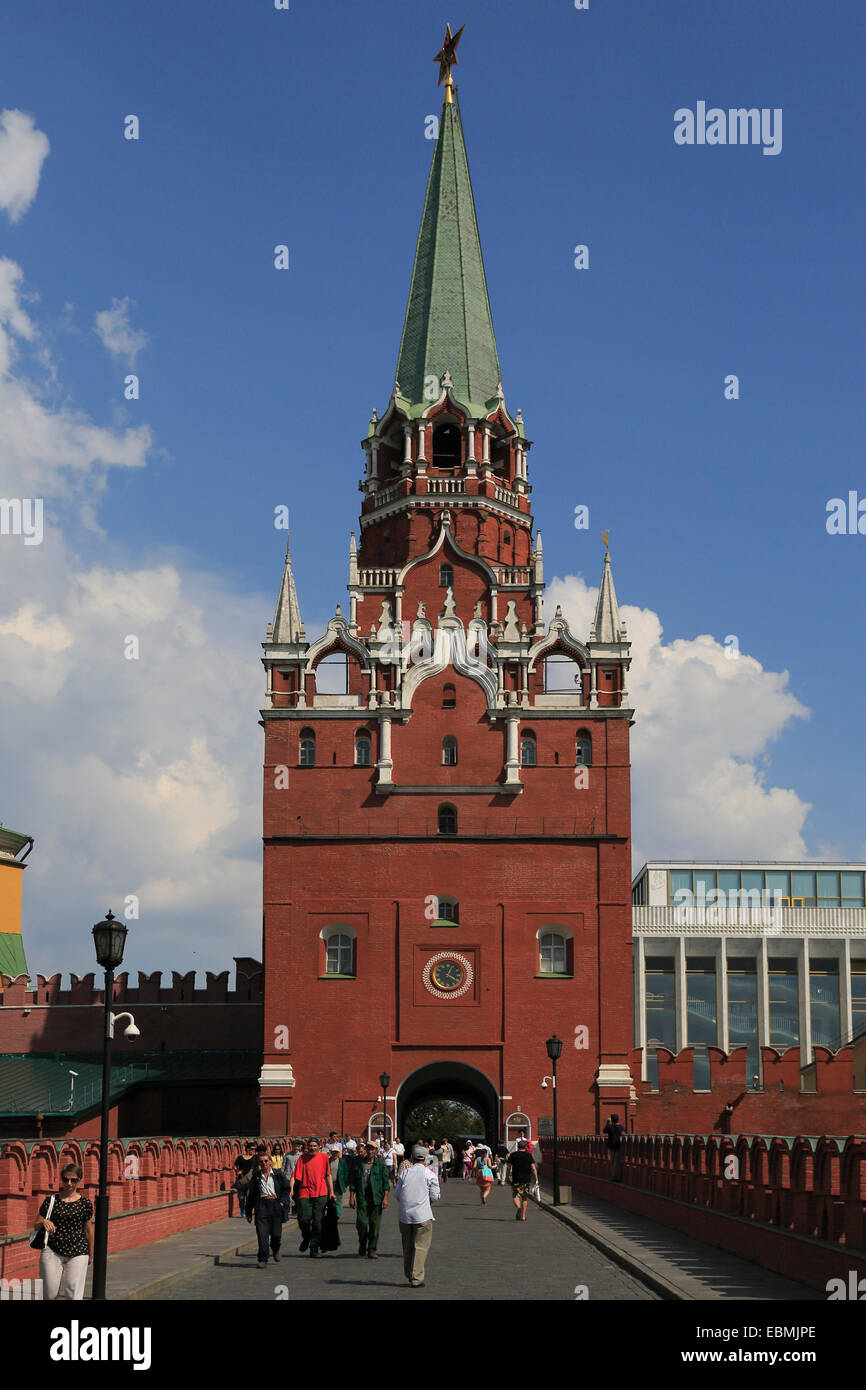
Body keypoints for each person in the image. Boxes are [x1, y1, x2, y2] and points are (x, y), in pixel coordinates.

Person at [34, 1163, 93, 1300]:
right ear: (62, 1179)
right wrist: (43, 1222)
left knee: (73, 1291)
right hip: (53, 1249)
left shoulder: (85, 1203)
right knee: (49, 1293)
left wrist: (91, 1253)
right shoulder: (51, 1201)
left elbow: (88, 1230)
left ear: (79, 1180)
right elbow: (36, 1225)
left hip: (78, 1250)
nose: (69, 1183)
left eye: (74, 1180)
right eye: (66, 1179)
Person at [396, 1144, 440, 1288]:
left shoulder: (405, 1173)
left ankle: (409, 1273)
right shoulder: (430, 1174)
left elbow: (397, 1195)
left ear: (413, 1157)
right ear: (426, 1158)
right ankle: (417, 1277)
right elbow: (435, 1196)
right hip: (422, 1215)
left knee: (407, 1246)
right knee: (420, 1247)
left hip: (404, 1215)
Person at [289, 1137, 335, 1257]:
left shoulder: (324, 1158)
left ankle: (314, 1247)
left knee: (317, 1222)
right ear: (307, 1147)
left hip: (321, 1193)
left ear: (319, 1146)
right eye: (311, 1146)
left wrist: (332, 1192)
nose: (313, 1148)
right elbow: (294, 1176)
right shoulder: (302, 1158)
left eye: (315, 1146)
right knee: (303, 1219)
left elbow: (328, 1175)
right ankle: (307, 1237)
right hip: (305, 1192)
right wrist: (292, 1189)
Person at [246, 1146, 291, 1267]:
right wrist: (249, 1212)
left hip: (275, 1204)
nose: (264, 1163)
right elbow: (251, 1195)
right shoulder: (256, 1177)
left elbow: (287, 1189)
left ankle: (275, 1250)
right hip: (262, 1206)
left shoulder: (278, 1174)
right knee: (262, 1234)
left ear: (270, 1162)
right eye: (261, 1161)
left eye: (266, 1161)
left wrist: (282, 1201)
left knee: (276, 1234)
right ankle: (262, 1259)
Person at [348, 1140, 389, 1258]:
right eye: (368, 1149)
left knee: (375, 1225)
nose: (370, 1151)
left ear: (376, 1151)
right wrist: (351, 1196)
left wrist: (385, 1198)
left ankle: (372, 1248)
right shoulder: (359, 1163)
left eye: (373, 1149)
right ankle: (362, 1242)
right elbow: (353, 1181)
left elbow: (385, 1183)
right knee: (361, 1223)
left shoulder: (380, 1164)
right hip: (362, 1196)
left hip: (376, 1197)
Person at [506, 1139, 538, 1221]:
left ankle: (519, 1208)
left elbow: (508, 1167)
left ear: (517, 1146)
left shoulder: (513, 1155)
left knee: (515, 1195)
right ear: (526, 1147)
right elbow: (533, 1168)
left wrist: (507, 1177)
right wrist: (536, 1179)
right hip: (526, 1179)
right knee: (524, 1197)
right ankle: (523, 1216)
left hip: (516, 1179)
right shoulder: (529, 1155)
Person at [233, 1140, 257, 1218]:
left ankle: (247, 1211)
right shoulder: (240, 1158)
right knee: (241, 1198)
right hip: (241, 1180)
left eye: (255, 1149)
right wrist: (237, 1171)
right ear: (247, 1149)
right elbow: (235, 1166)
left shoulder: (255, 1158)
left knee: (248, 1196)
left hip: (251, 1180)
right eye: (252, 1149)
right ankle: (242, 1210)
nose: (254, 1151)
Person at [603, 1112, 626, 1182]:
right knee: (616, 1162)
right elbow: (624, 1133)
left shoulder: (609, 1127)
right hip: (618, 1145)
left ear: (612, 1120)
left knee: (612, 1162)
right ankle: (616, 1177)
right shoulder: (621, 1127)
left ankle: (614, 1177)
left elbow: (604, 1131)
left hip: (611, 1146)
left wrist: (607, 1122)